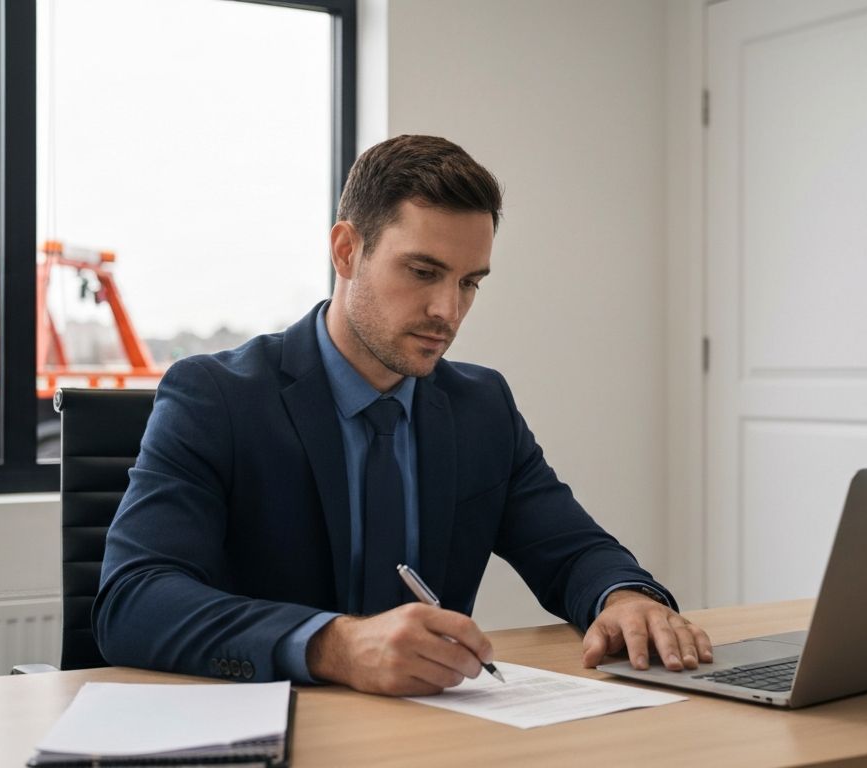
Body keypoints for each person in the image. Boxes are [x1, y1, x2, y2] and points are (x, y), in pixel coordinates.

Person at [95, 134, 713, 696]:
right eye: (423, 272)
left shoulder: (481, 407)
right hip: (278, 728)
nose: (449, 310)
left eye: (471, 282)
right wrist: (333, 644)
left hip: (432, 735)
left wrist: (625, 596)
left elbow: (573, 549)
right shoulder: (216, 397)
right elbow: (134, 600)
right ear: (346, 250)